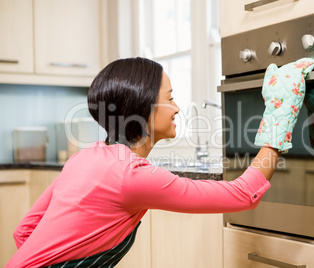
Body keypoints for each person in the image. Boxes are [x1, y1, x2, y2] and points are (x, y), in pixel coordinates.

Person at [6, 57, 283, 267]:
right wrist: (280, 118)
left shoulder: (85, 157)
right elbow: (244, 194)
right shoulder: (132, 176)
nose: (176, 108)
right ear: (144, 105)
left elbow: (25, 231)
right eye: (170, 98)